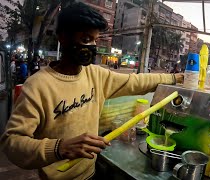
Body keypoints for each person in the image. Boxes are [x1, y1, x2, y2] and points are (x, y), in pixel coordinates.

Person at [0, 3, 183, 180]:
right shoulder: (38, 86)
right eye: (86, 39)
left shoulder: (96, 75)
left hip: (91, 172)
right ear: (63, 37)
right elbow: (12, 142)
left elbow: (136, 81)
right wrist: (58, 148)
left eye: (95, 40)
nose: (92, 46)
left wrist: (176, 79)